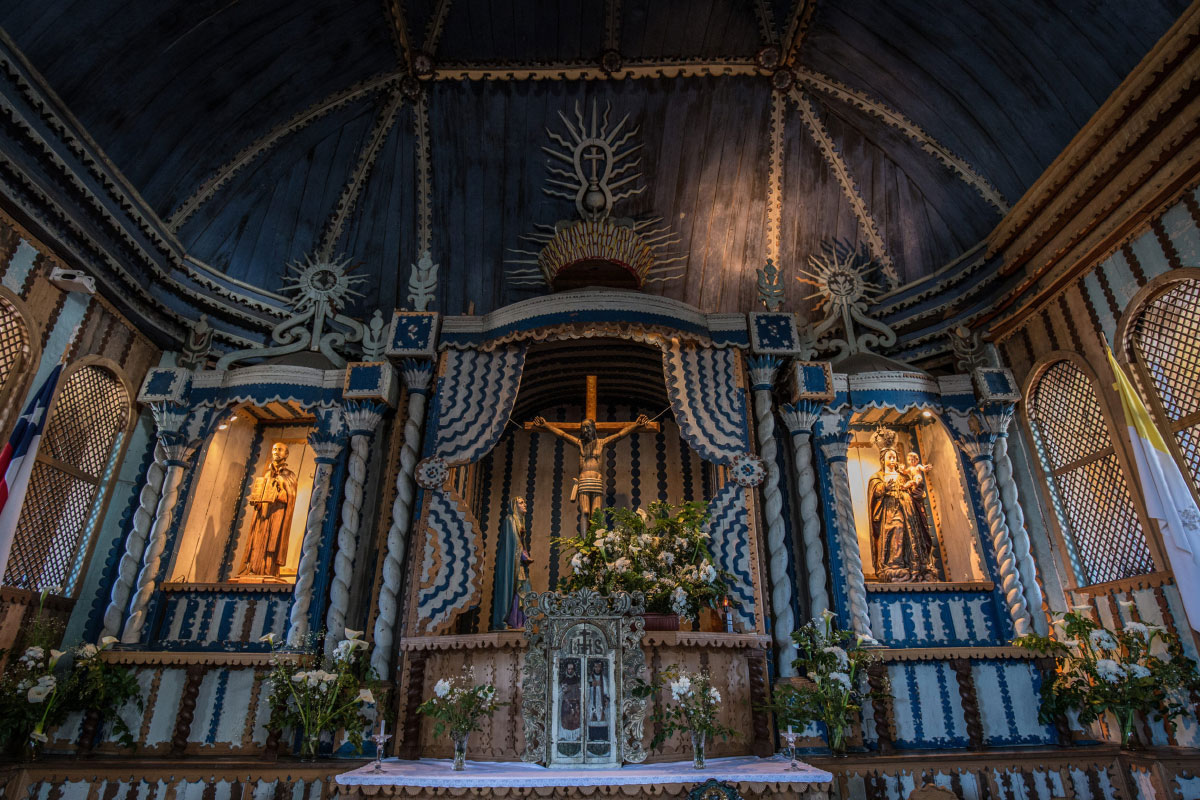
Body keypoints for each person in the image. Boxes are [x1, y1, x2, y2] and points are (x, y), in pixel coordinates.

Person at [530, 415, 653, 533]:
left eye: (588, 427)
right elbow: (563, 435)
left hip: (597, 480)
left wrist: (635, 425)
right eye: (583, 428)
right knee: (584, 511)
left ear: (593, 429)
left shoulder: (601, 443)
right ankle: (585, 543)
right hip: (584, 480)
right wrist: (546, 425)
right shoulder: (579, 443)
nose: (585, 430)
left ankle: (595, 543)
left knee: (596, 513)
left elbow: (619, 435)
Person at [867, 447, 936, 583]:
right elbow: (875, 491)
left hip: (908, 509)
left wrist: (916, 486)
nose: (892, 460)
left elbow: (917, 492)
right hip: (890, 510)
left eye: (894, 457)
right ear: (883, 460)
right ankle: (894, 563)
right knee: (895, 531)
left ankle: (916, 565)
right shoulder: (878, 477)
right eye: (889, 457)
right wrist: (884, 488)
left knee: (911, 533)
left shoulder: (904, 476)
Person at [238, 442, 298, 580]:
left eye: (280, 450)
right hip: (263, 513)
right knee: (258, 540)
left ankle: (269, 569)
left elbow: (290, 496)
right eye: (275, 449)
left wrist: (279, 492)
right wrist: (258, 501)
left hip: (277, 513)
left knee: (273, 540)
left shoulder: (288, 475)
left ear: (286, 454)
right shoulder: (266, 474)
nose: (276, 452)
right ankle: (254, 568)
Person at [492, 496, 532, 630]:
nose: (524, 504)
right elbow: (513, 542)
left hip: (519, 563)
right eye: (521, 503)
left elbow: (520, 543)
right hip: (511, 562)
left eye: (524, 502)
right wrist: (523, 555)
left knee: (522, 589)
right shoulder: (510, 520)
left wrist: (524, 556)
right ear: (515, 506)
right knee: (513, 589)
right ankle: (510, 620)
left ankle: (520, 622)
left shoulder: (519, 521)